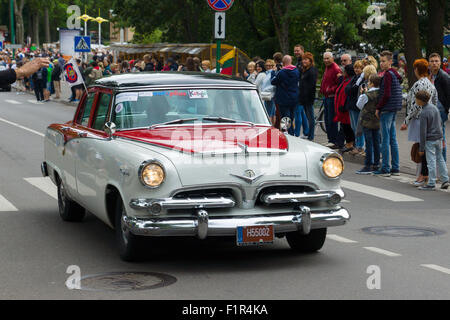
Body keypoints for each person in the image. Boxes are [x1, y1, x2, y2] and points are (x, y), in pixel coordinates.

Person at [400, 59, 438, 185]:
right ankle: (424, 174)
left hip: (418, 118)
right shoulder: (430, 84)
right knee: (423, 146)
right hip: (428, 117)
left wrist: (406, 120)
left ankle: (422, 175)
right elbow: (435, 101)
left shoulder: (418, 85)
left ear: (416, 69)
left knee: (420, 147)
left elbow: (415, 105)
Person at [374, 51, 402, 176]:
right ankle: (395, 167)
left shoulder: (387, 75)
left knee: (385, 139)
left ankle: (385, 167)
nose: (381, 63)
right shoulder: (394, 74)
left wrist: (378, 108)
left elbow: (386, 94)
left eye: (384, 61)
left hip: (387, 108)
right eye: (380, 61)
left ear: (390, 62)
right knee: (393, 138)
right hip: (394, 107)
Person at [417, 90, 449, 191]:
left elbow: (423, 132)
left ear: (420, 101)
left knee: (431, 161)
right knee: (440, 159)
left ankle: (431, 182)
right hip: (438, 137)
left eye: (416, 99)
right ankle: (445, 179)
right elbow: (440, 123)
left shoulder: (423, 113)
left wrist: (421, 148)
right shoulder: (435, 108)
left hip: (429, 140)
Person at [355, 75, 381, 174]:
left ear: (371, 83)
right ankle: (376, 164)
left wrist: (363, 92)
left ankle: (368, 165)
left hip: (367, 121)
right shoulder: (380, 93)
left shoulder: (366, 95)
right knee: (376, 143)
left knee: (369, 143)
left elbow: (359, 105)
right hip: (377, 121)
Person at [271, 55, 300, 135]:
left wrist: (274, 72)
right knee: (291, 116)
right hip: (294, 97)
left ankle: (286, 132)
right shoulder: (296, 71)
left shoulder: (282, 72)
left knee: (284, 117)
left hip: (283, 98)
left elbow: (273, 82)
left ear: (283, 63)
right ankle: (292, 133)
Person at [429, 53, 450, 161]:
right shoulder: (430, 75)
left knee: (440, 138)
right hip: (431, 110)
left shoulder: (444, 77)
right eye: (432, 61)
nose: (434, 63)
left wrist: (446, 110)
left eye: (436, 61)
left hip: (440, 111)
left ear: (440, 63)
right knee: (433, 138)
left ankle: (442, 167)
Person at [320, 52, 342, 149]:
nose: (325, 60)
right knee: (327, 120)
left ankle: (333, 140)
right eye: (324, 58)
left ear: (332, 58)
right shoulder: (327, 68)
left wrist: (330, 89)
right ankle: (330, 139)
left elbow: (339, 84)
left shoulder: (336, 69)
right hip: (326, 96)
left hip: (332, 97)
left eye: (328, 58)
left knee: (332, 120)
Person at [334, 64, 356, 152]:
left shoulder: (349, 81)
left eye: (344, 71)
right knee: (345, 126)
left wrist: (343, 105)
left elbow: (346, 95)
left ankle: (350, 144)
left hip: (345, 108)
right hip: (342, 108)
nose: (342, 72)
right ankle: (348, 143)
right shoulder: (345, 80)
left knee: (348, 127)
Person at [345, 60, 365, 155]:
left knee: (358, 127)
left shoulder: (362, 79)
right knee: (353, 127)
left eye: (359, 68)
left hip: (357, 106)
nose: (356, 69)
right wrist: (350, 89)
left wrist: (350, 89)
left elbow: (352, 90)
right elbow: (347, 89)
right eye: (355, 67)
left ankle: (360, 146)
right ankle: (357, 144)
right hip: (351, 105)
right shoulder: (354, 78)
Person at [297, 52, 318, 140]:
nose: (304, 61)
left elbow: (311, 86)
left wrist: (306, 96)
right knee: (308, 117)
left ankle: (311, 136)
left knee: (311, 118)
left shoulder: (312, 70)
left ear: (310, 61)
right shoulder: (304, 70)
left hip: (308, 98)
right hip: (303, 98)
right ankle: (309, 134)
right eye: (303, 59)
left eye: (306, 59)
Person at [260, 59, 277, 125]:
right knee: (272, 113)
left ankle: (270, 126)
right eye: (267, 65)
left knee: (268, 113)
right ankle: (273, 126)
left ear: (273, 66)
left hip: (269, 94)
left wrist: (265, 90)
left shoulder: (271, 73)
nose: (268, 67)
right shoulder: (268, 73)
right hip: (270, 94)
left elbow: (271, 85)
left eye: (270, 65)